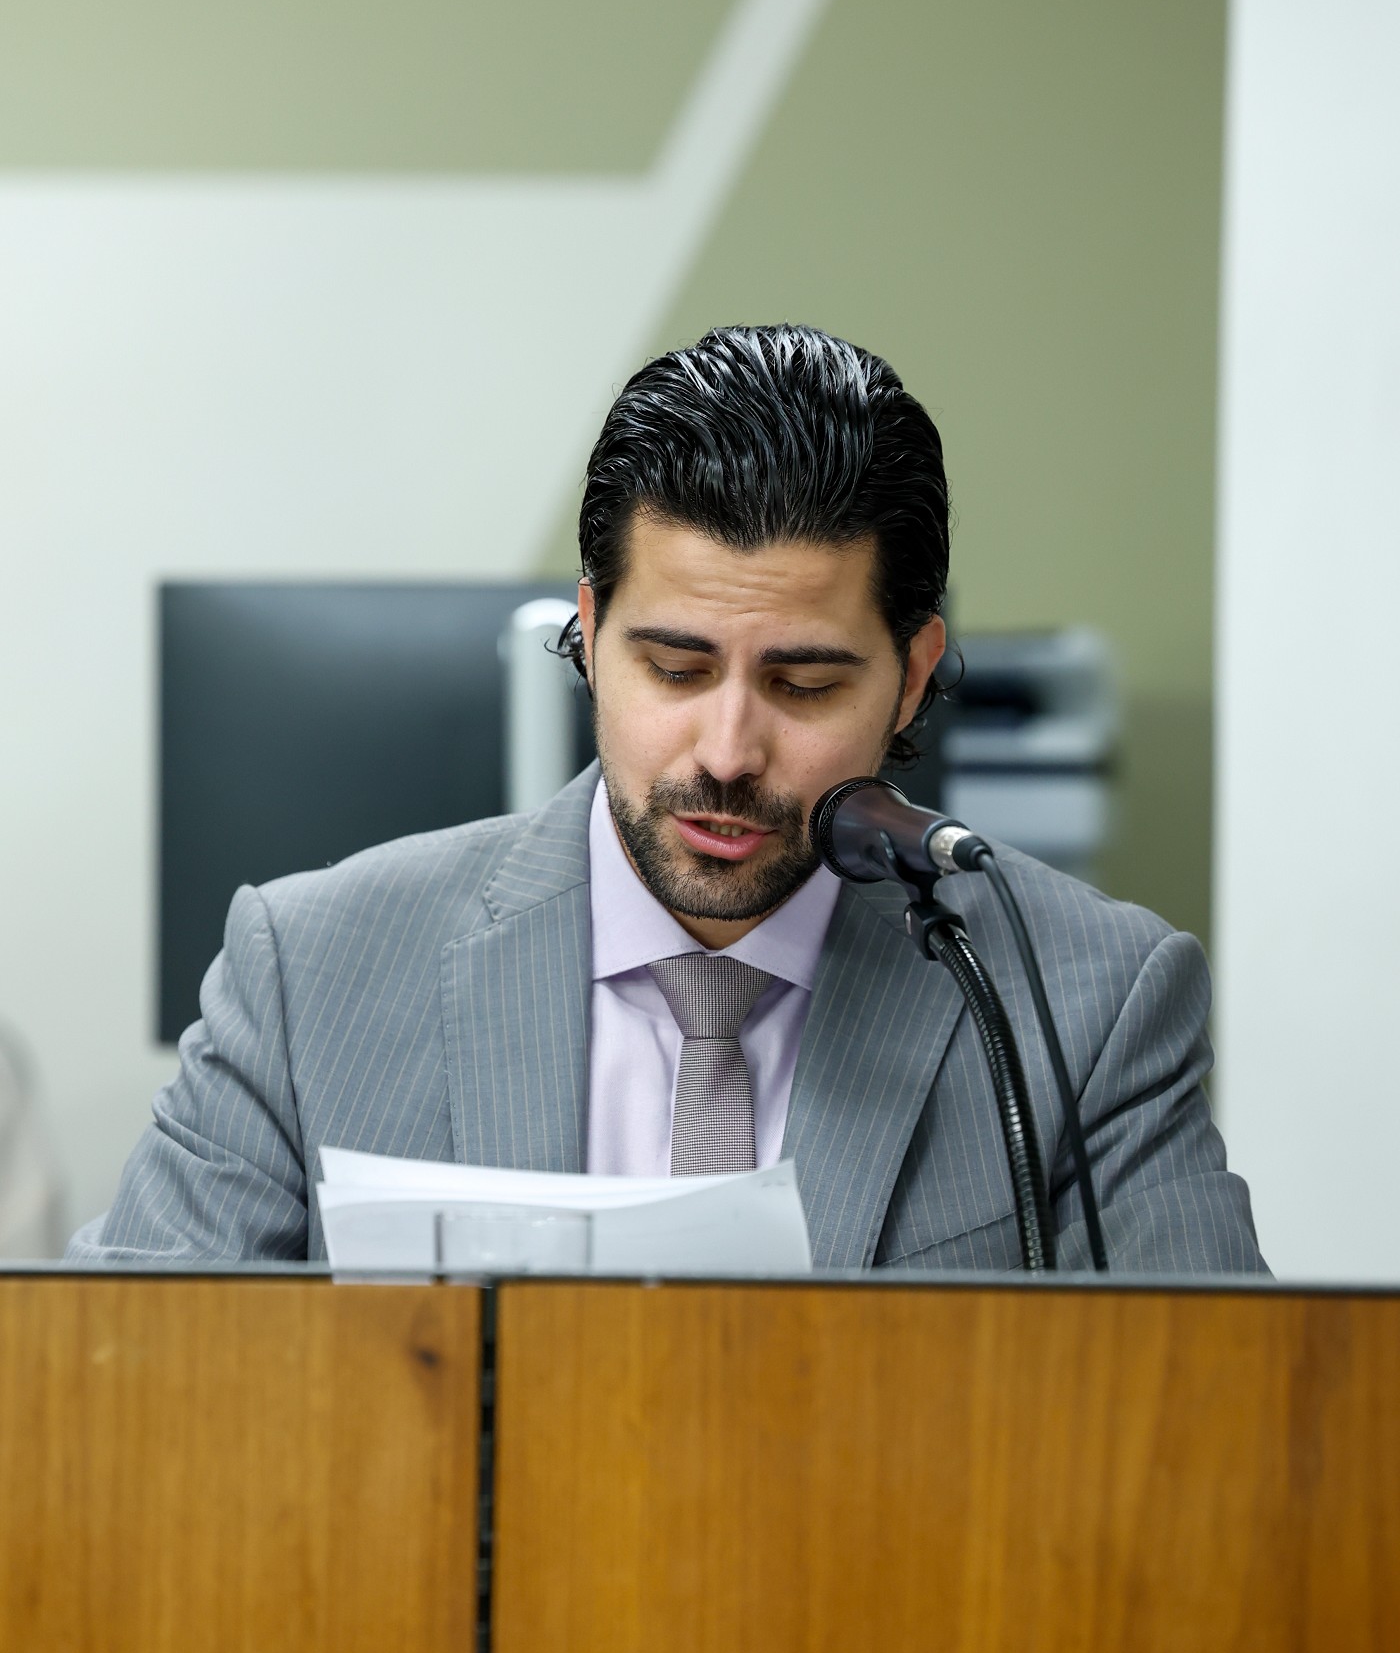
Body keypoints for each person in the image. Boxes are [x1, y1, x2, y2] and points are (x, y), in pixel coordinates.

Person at [70, 325, 1264, 1271]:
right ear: (589, 634)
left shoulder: (1088, 1002)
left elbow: (1209, 1435)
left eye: (802, 684)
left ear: (910, 677)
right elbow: (120, 1398)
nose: (727, 751)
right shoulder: (308, 972)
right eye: (675, 670)